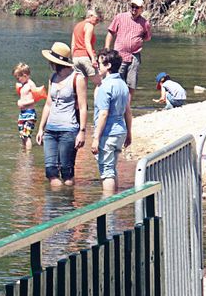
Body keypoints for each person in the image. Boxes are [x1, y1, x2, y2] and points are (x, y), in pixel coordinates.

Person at [36, 42, 87, 187]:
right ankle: (54, 207)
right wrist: (41, 128)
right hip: (50, 130)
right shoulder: (53, 77)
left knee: (67, 173)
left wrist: (82, 132)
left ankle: (67, 206)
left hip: (69, 130)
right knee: (51, 172)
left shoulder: (78, 78)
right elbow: (48, 104)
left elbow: (83, 107)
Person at [91, 49, 132, 194]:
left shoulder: (105, 86)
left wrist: (96, 138)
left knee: (106, 171)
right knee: (112, 169)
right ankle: (114, 203)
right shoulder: (123, 85)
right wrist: (129, 133)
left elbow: (103, 114)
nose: (97, 66)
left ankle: (108, 207)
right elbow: (128, 111)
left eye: (100, 63)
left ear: (108, 66)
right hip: (120, 132)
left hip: (108, 133)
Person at [105, 0, 152, 100]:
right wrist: (107, 50)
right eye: (132, 6)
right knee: (117, 81)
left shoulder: (145, 23)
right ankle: (116, 105)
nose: (134, 9)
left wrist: (137, 40)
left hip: (134, 56)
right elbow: (110, 33)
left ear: (141, 9)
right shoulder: (120, 17)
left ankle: (127, 108)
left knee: (131, 83)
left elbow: (147, 37)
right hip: (119, 55)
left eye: (137, 7)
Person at [71, 8, 102, 86]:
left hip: (76, 58)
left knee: (81, 85)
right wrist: (93, 58)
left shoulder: (77, 26)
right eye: (97, 19)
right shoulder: (89, 26)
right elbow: (87, 43)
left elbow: (73, 45)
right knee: (99, 84)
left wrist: (73, 58)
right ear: (91, 16)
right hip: (86, 57)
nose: (98, 22)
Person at [12, 63, 38, 150]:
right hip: (22, 114)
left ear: (25, 75)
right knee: (22, 135)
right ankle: (23, 152)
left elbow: (36, 99)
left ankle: (28, 155)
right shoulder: (23, 85)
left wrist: (24, 104)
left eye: (18, 78)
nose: (18, 80)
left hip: (30, 113)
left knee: (27, 135)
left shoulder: (31, 84)